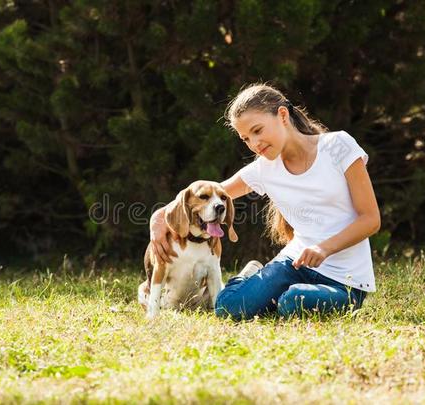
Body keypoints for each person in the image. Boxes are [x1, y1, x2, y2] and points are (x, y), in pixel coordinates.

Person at [149, 83, 381, 321]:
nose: (254, 144)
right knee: (226, 308)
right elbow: (212, 191)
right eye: (246, 138)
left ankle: (275, 296)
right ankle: (251, 276)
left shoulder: (338, 146)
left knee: (293, 302)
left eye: (258, 130)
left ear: (282, 115)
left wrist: (324, 248)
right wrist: (158, 217)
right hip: (293, 265)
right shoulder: (263, 168)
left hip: (344, 281)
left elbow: (370, 219)